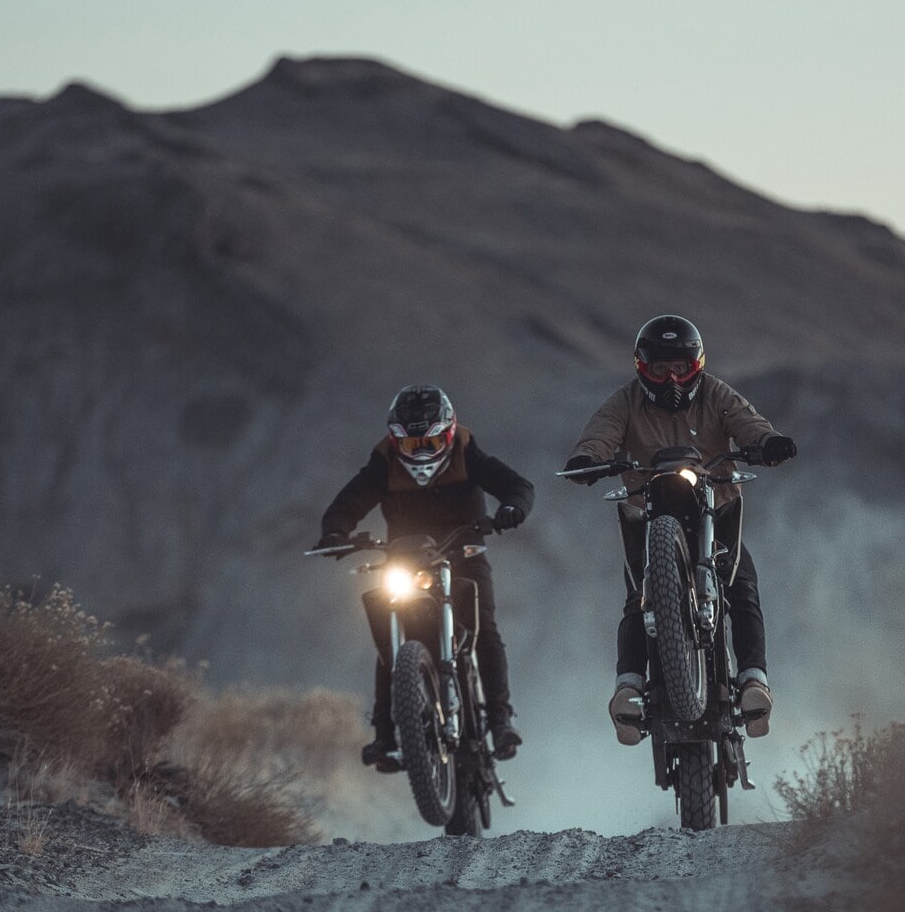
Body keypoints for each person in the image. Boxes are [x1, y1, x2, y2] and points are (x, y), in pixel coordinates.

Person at [562, 315, 797, 744]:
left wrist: (767, 443)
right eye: (659, 370)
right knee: (639, 596)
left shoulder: (717, 394)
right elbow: (599, 435)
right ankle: (629, 688)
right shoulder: (624, 401)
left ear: (698, 366)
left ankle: (752, 682)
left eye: (681, 369)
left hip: (716, 506)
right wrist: (586, 460)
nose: (671, 379)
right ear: (641, 368)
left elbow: (750, 424)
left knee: (741, 585)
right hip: (646, 514)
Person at [318, 385, 534, 767]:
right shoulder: (382, 463)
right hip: (405, 560)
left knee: (485, 629)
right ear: (395, 440)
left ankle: (501, 720)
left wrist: (512, 507)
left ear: (448, 433)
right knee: (391, 640)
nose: (421, 450)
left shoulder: (469, 453)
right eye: (412, 442)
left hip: (465, 554)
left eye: (430, 440)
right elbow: (347, 503)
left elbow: (517, 486)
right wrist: (336, 531)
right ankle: (385, 736)